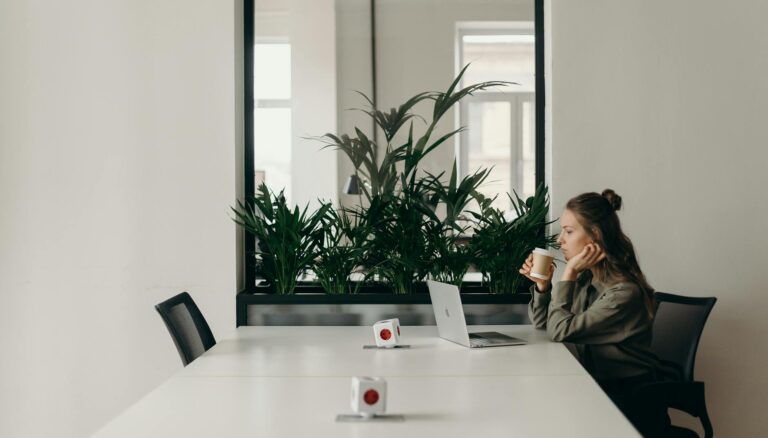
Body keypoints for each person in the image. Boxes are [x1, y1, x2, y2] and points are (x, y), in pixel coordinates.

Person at [520, 189, 679, 437]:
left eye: (569, 231)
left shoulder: (623, 293)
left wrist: (569, 273)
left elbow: (559, 330)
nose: (560, 239)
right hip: (600, 388)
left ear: (596, 235)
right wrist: (543, 286)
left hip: (630, 401)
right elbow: (544, 324)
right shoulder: (588, 280)